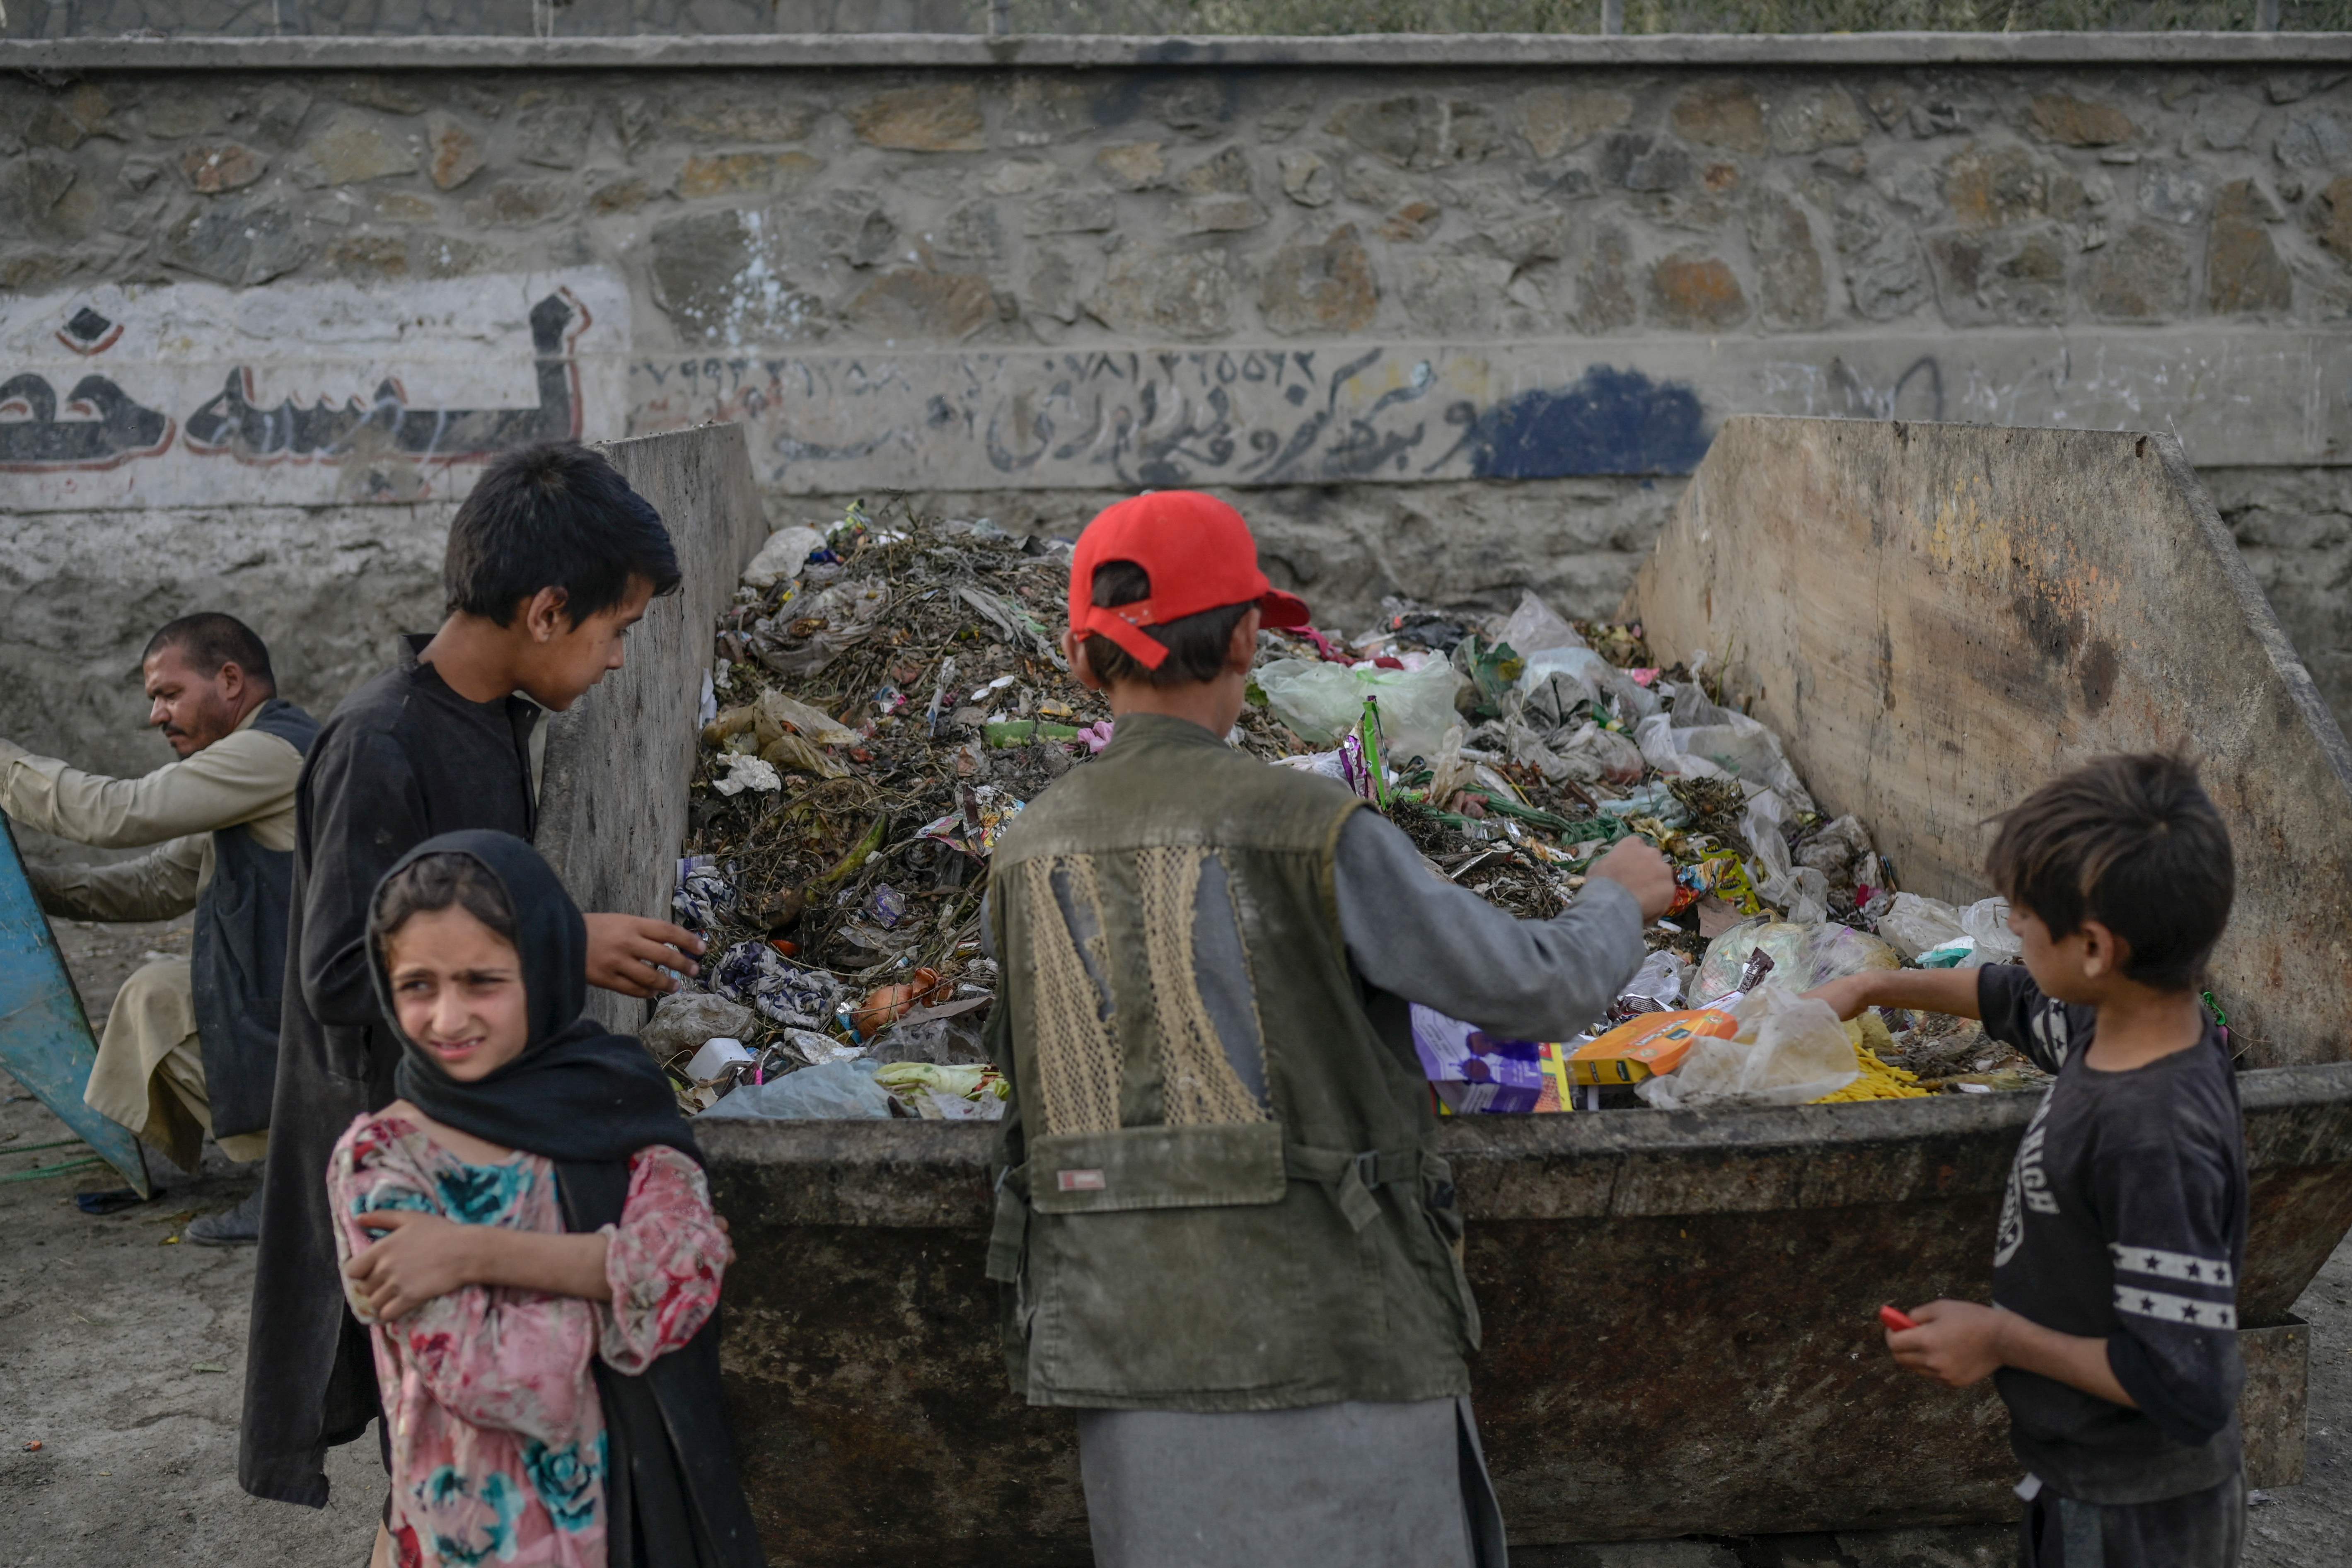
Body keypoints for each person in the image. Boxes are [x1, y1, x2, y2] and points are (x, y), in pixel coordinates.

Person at [981, 490, 1675, 1568]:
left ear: (1081, 662)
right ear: (1250, 639)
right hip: (1331, 1337)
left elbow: (1018, 1077)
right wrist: (1614, 899)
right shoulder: (1304, 829)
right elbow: (1532, 988)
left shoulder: (1025, 849)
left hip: (1122, 1342)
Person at [242, 441, 711, 1510]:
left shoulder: (491, 722)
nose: (619, 663)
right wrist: (558, 941)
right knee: (440, 1452)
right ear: (548, 611)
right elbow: (331, 975)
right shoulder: (381, 743)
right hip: (402, 1149)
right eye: (617, 631)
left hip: (472, 1130)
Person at [1806, 754, 2246, 1568]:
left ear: (2092, 948)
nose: (2009, 924)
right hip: (2079, 1478)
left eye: (2023, 913)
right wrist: (1868, 992)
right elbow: (2008, 997)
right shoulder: (2110, 1023)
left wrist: (2002, 1338)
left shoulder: (2155, 1137)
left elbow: (2186, 1383)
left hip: (2138, 1516)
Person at [332, 831, 761, 1568]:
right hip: (480, 1530)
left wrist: (474, 1251)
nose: (447, 1016)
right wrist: (634, 1270)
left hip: (631, 1512)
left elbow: (688, 1274)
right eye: (418, 985)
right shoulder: (383, 1158)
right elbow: (495, 1375)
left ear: (548, 964)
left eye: (483, 981)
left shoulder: (614, 1094)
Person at [2, 614, 318, 1237]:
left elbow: (118, 812)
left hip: (314, 1010)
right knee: (157, 993)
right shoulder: (246, 762)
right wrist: (22, 886)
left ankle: (300, 1177)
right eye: (154, 700)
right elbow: (155, 884)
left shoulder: (265, 754)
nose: (157, 716)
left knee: (165, 1001)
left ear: (230, 680)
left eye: (169, 694)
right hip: (291, 986)